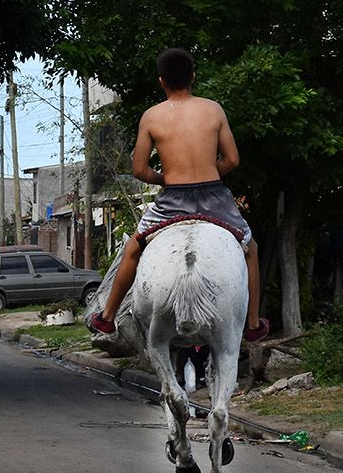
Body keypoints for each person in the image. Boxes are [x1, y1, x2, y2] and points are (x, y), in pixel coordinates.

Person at [87, 47, 267, 341]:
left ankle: (107, 317)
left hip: (172, 199)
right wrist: (207, 173)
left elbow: (139, 170)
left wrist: (166, 179)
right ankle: (253, 324)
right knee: (251, 249)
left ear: (162, 81)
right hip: (214, 197)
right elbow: (232, 160)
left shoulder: (152, 116)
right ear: (193, 77)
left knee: (133, 248)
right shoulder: (214, 109)